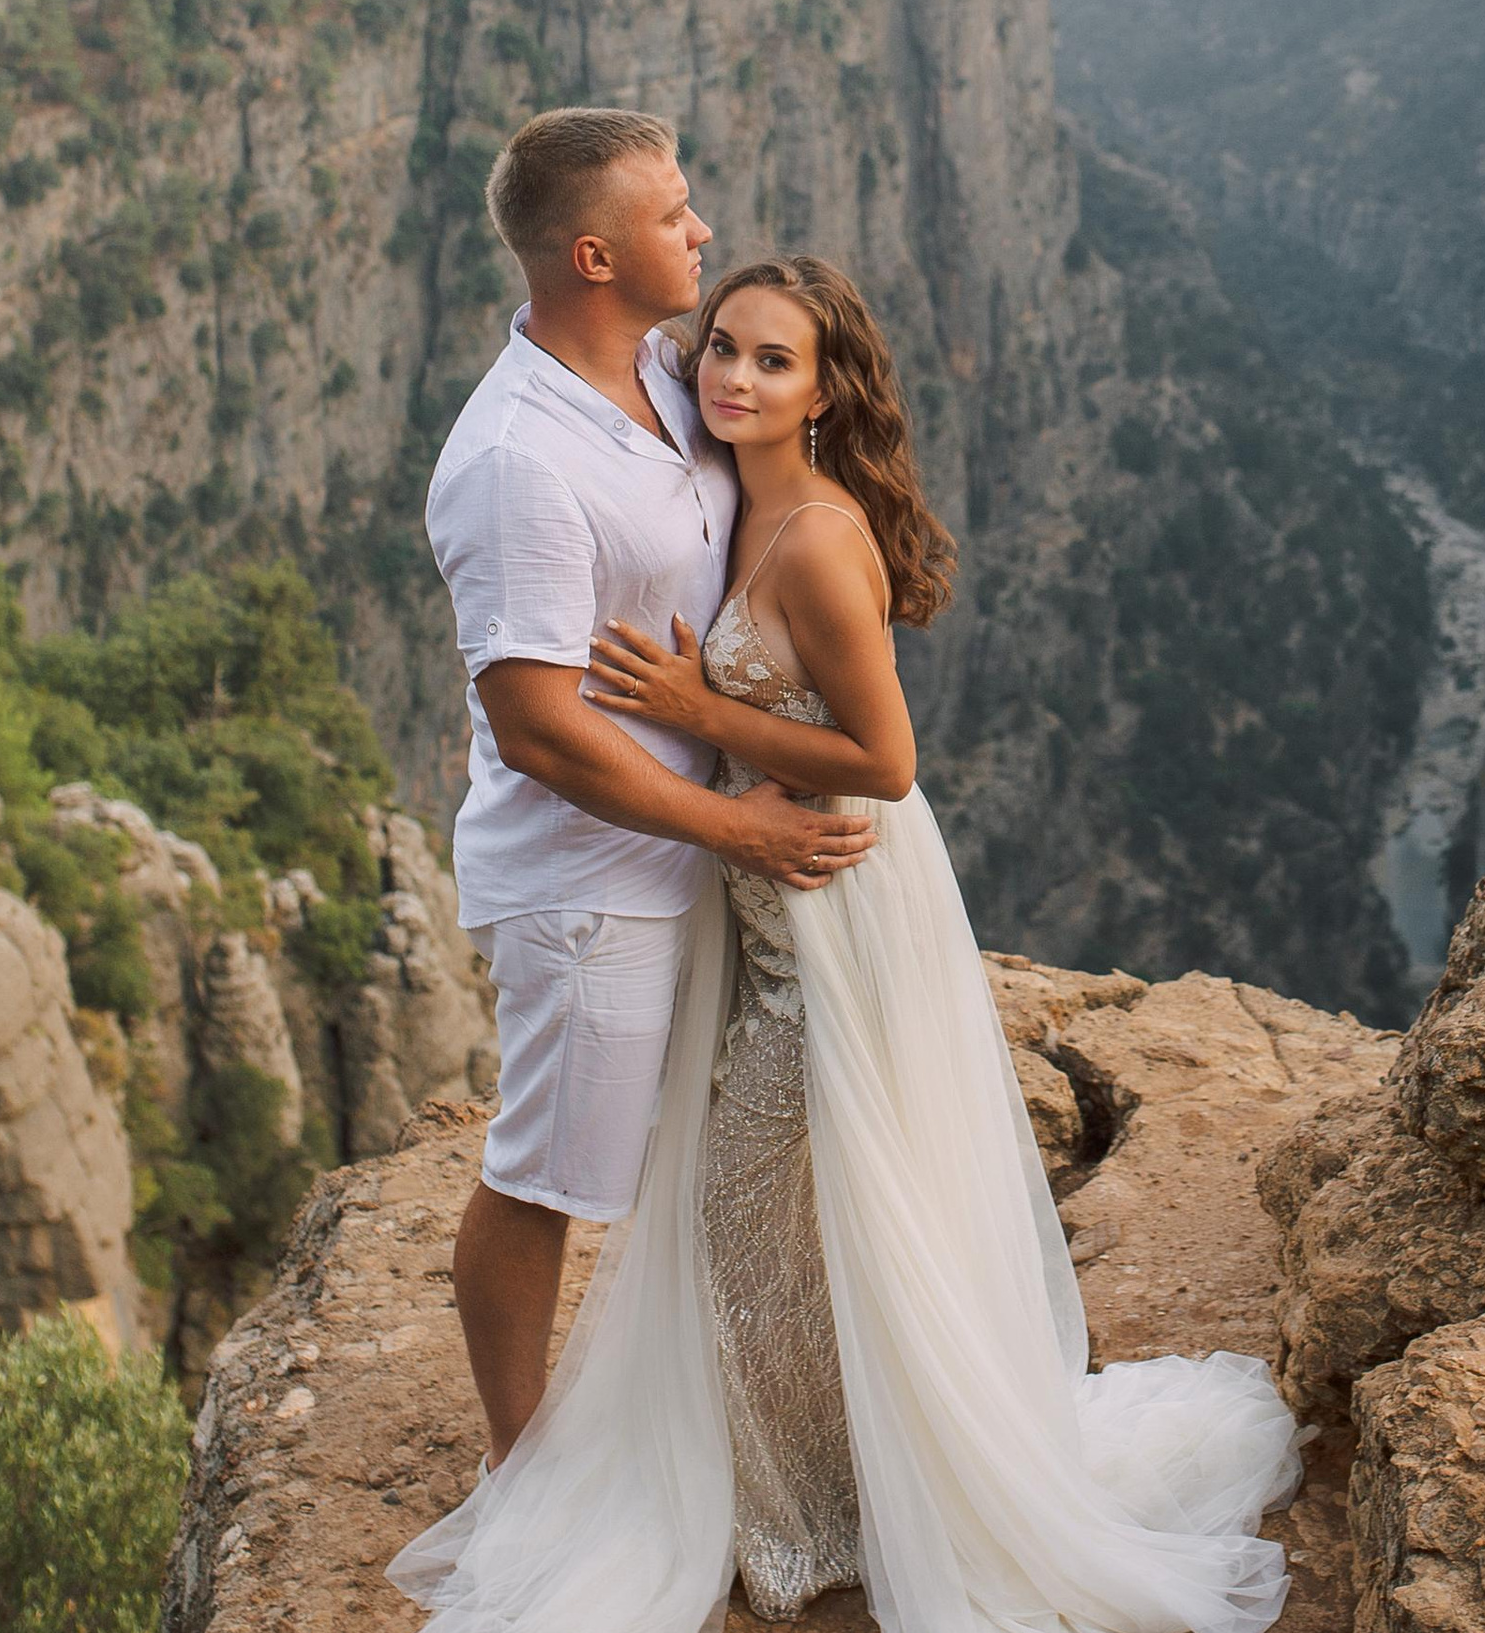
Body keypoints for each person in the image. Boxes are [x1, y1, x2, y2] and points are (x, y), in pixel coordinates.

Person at [393, 253, 1300, 1633]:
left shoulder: (814, 535)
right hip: (763, 907)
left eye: (773, 362)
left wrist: (704, 708)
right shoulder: (724, 500)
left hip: (834, 903)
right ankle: (829, 1477)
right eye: (723, 348)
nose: (733, 376)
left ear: (824, 395)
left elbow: (883, 757)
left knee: (753, 1205)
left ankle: (821, 1509)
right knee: (790, 1211)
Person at [419, 113, 877, 1478]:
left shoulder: (673, 376)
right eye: (676, 217)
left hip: (693, 859)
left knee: (697, 1156)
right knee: (551, 1173)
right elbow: (541, 731)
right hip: (587, 884)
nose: (703, 231)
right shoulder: (515, 463)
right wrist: (746, 822)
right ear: (595, 253)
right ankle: (524, 1461)